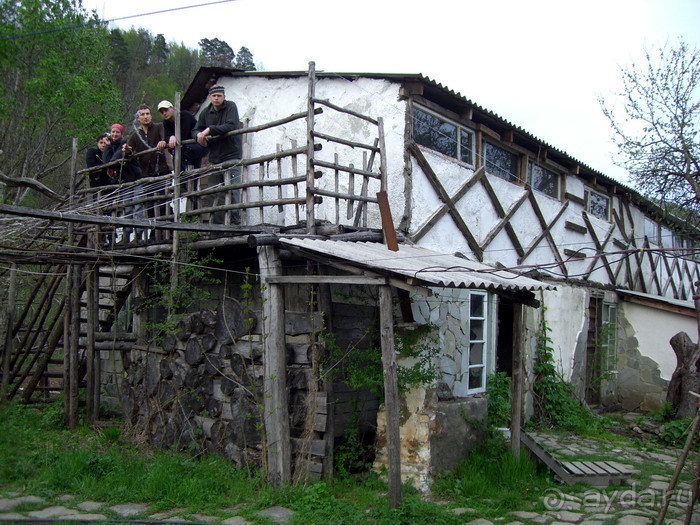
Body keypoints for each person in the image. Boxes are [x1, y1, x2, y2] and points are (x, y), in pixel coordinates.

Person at [192, 84, 243, 224]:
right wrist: (198, 137)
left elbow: (231, 125)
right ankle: (217, 226)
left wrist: (209, 130)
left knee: (233, 190)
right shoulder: (206, 112)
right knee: (214, 192)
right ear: (209, 97)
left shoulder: (231, 107)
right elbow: (196, 129)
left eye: (219, 96)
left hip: (232, 155)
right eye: (214, 96)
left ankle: (235, 224)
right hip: (215, 158)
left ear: (224, 97)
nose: (216, 98)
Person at [126, 105, 170, 234]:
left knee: (164, 200)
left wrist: (163, 142)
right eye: (143, 114)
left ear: (151, 115)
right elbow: (128, 152)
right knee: (150, 203)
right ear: (138, 118)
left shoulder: (159, 127)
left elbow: (165, 137)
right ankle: (155, 233)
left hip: (162, 170)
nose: (146, 117)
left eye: (148, 114)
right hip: (145, 174)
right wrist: (127, 151)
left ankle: (168, 231)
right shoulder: (135, 135)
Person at [103, 123, 143, 241]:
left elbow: (115, 160)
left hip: (136, 178)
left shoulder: (124, 144)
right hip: (125, 181)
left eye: (117, 132)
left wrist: (111, 164)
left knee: (138, 206)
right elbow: (106, 161)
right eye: (113, 132)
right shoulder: (111, 146)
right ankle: (127, 234)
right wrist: (108, 146)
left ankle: (139, 234)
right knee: (128, 208)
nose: (115, 134)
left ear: (121, 134)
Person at [157, 100, 207, 171]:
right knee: (178, 152)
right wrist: (170, 137)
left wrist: (173, 137)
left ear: (173, 108)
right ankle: (180, 177)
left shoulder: (185, 115)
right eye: (162, 112)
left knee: (181, 152)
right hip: (184, 148)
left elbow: (183, 135)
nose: (164, 113)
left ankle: (181, 175)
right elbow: (167, 136)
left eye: (166, 110)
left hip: (198, 145)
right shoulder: (166, 122)